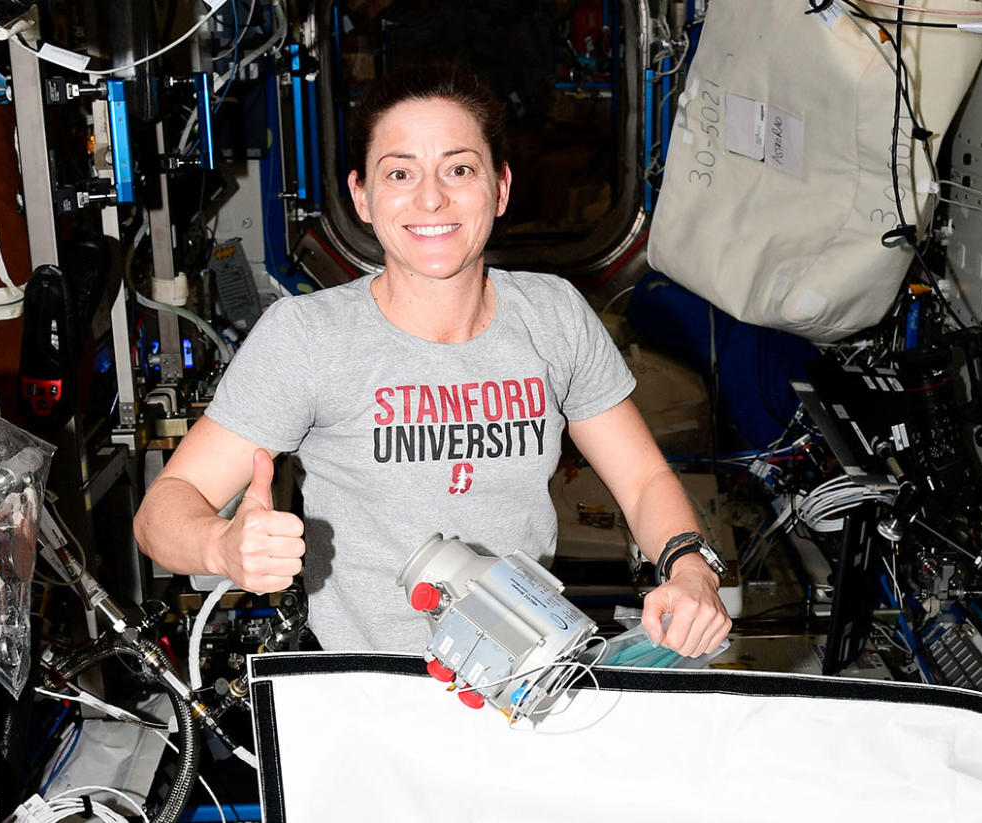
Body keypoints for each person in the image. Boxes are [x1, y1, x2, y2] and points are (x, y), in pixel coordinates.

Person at [133, 64, 731, 657]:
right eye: (399, 173)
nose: (431, 198)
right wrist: (221, 547)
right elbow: (163, 511)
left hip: (525, 668)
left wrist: (689, 568)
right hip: (368, 687)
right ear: (361, 197)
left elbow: (645, 480)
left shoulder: (553, 315)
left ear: (499, 188)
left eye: (459, 168)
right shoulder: (308, 338)